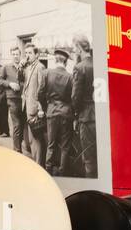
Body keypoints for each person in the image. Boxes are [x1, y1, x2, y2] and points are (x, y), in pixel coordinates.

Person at [41, 47, 74, 176]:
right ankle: (62, 171)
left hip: (52, 111)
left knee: (51, 144)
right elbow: (73, 97)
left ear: (56, 60)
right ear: (66, 62)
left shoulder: (47, 73)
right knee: (65, 145)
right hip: (66, 113)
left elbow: (40, 93)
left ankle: (48, 170)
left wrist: (46, 108)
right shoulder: (70, 77)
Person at [70, 36, 97, 178]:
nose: (75, 52)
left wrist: (75, 115)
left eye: (75, 49)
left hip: (86, 118)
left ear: (79, 49)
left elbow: (75, 97)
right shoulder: (98, 64)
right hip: (99, 116)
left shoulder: (79, 68)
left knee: (89, 159)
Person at [22, 44, 47, 166]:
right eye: (26, 53)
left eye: (30, 53)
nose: (27, 55)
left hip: (35, 108)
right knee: (31, 139)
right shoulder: (28, 67)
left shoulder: (40, 67)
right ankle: (35, 162)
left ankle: (39, 165)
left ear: (36, 54)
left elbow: (41, 90)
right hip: (27, 105)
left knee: (37, 139)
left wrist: (40, 108)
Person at [0, 46, 27, 155]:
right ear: (11, 55)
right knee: (16, 125)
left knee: (22, 124)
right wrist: (10, 84)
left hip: (23, 99)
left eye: (17, 54)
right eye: (14, 54)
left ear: (20, 55)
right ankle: (17, 151)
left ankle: (19, 145)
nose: (16, 56)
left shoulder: (24, 67)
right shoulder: (6, 67)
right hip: (12, 99)